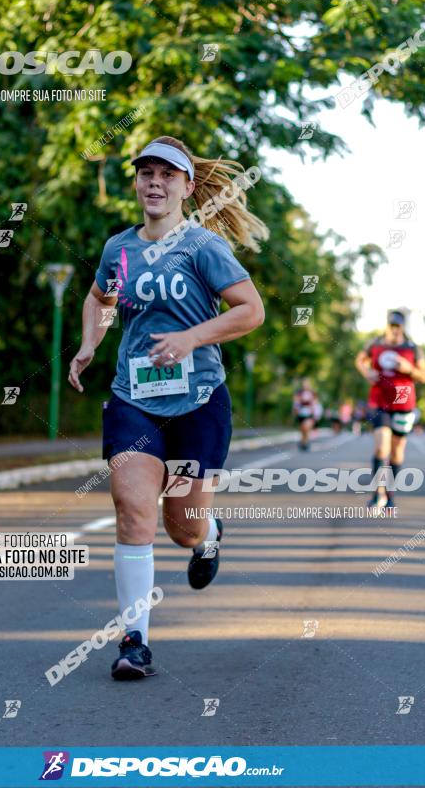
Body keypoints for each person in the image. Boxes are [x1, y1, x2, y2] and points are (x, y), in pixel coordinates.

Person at [69, 136, 267, 679]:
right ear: (136, 183)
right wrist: (90, 343)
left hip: (198, 402)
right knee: (133, 509)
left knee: (182, 526)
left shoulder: (202, 246)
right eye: (145, 173)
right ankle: (134, 642)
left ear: (186, 186)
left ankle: (208, 536)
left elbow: (252, 310)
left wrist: (192, 338)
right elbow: (99, 299)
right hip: (135, 398)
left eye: (167, 175)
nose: (154, 183)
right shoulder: (118, 249)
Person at [354, 309, 425, 513]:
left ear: (403, 328)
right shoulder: (375, 343)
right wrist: (366, 371)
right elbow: (360, 360)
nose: (395, 331)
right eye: (392, 326)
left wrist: (409, 369)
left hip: (404, 404)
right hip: (379, 402)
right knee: (381, 447)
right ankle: (376, 494)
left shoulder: (413, 348)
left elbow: (424, 376)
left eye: (398, 327)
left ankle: (389, 494)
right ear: (387, 326)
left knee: (397, 451)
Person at [292, 378, 318, 450]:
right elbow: (295, 403)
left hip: (309, 414)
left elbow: (315, 403)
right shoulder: (299, 392)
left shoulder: (312, 392)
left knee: (306, 427)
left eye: (307, 383)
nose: (306, 385)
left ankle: (306, 442)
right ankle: (303, 442)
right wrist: (295, 410)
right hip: (301, 414)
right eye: (304, 383)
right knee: (303, 430)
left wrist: (314, 411)